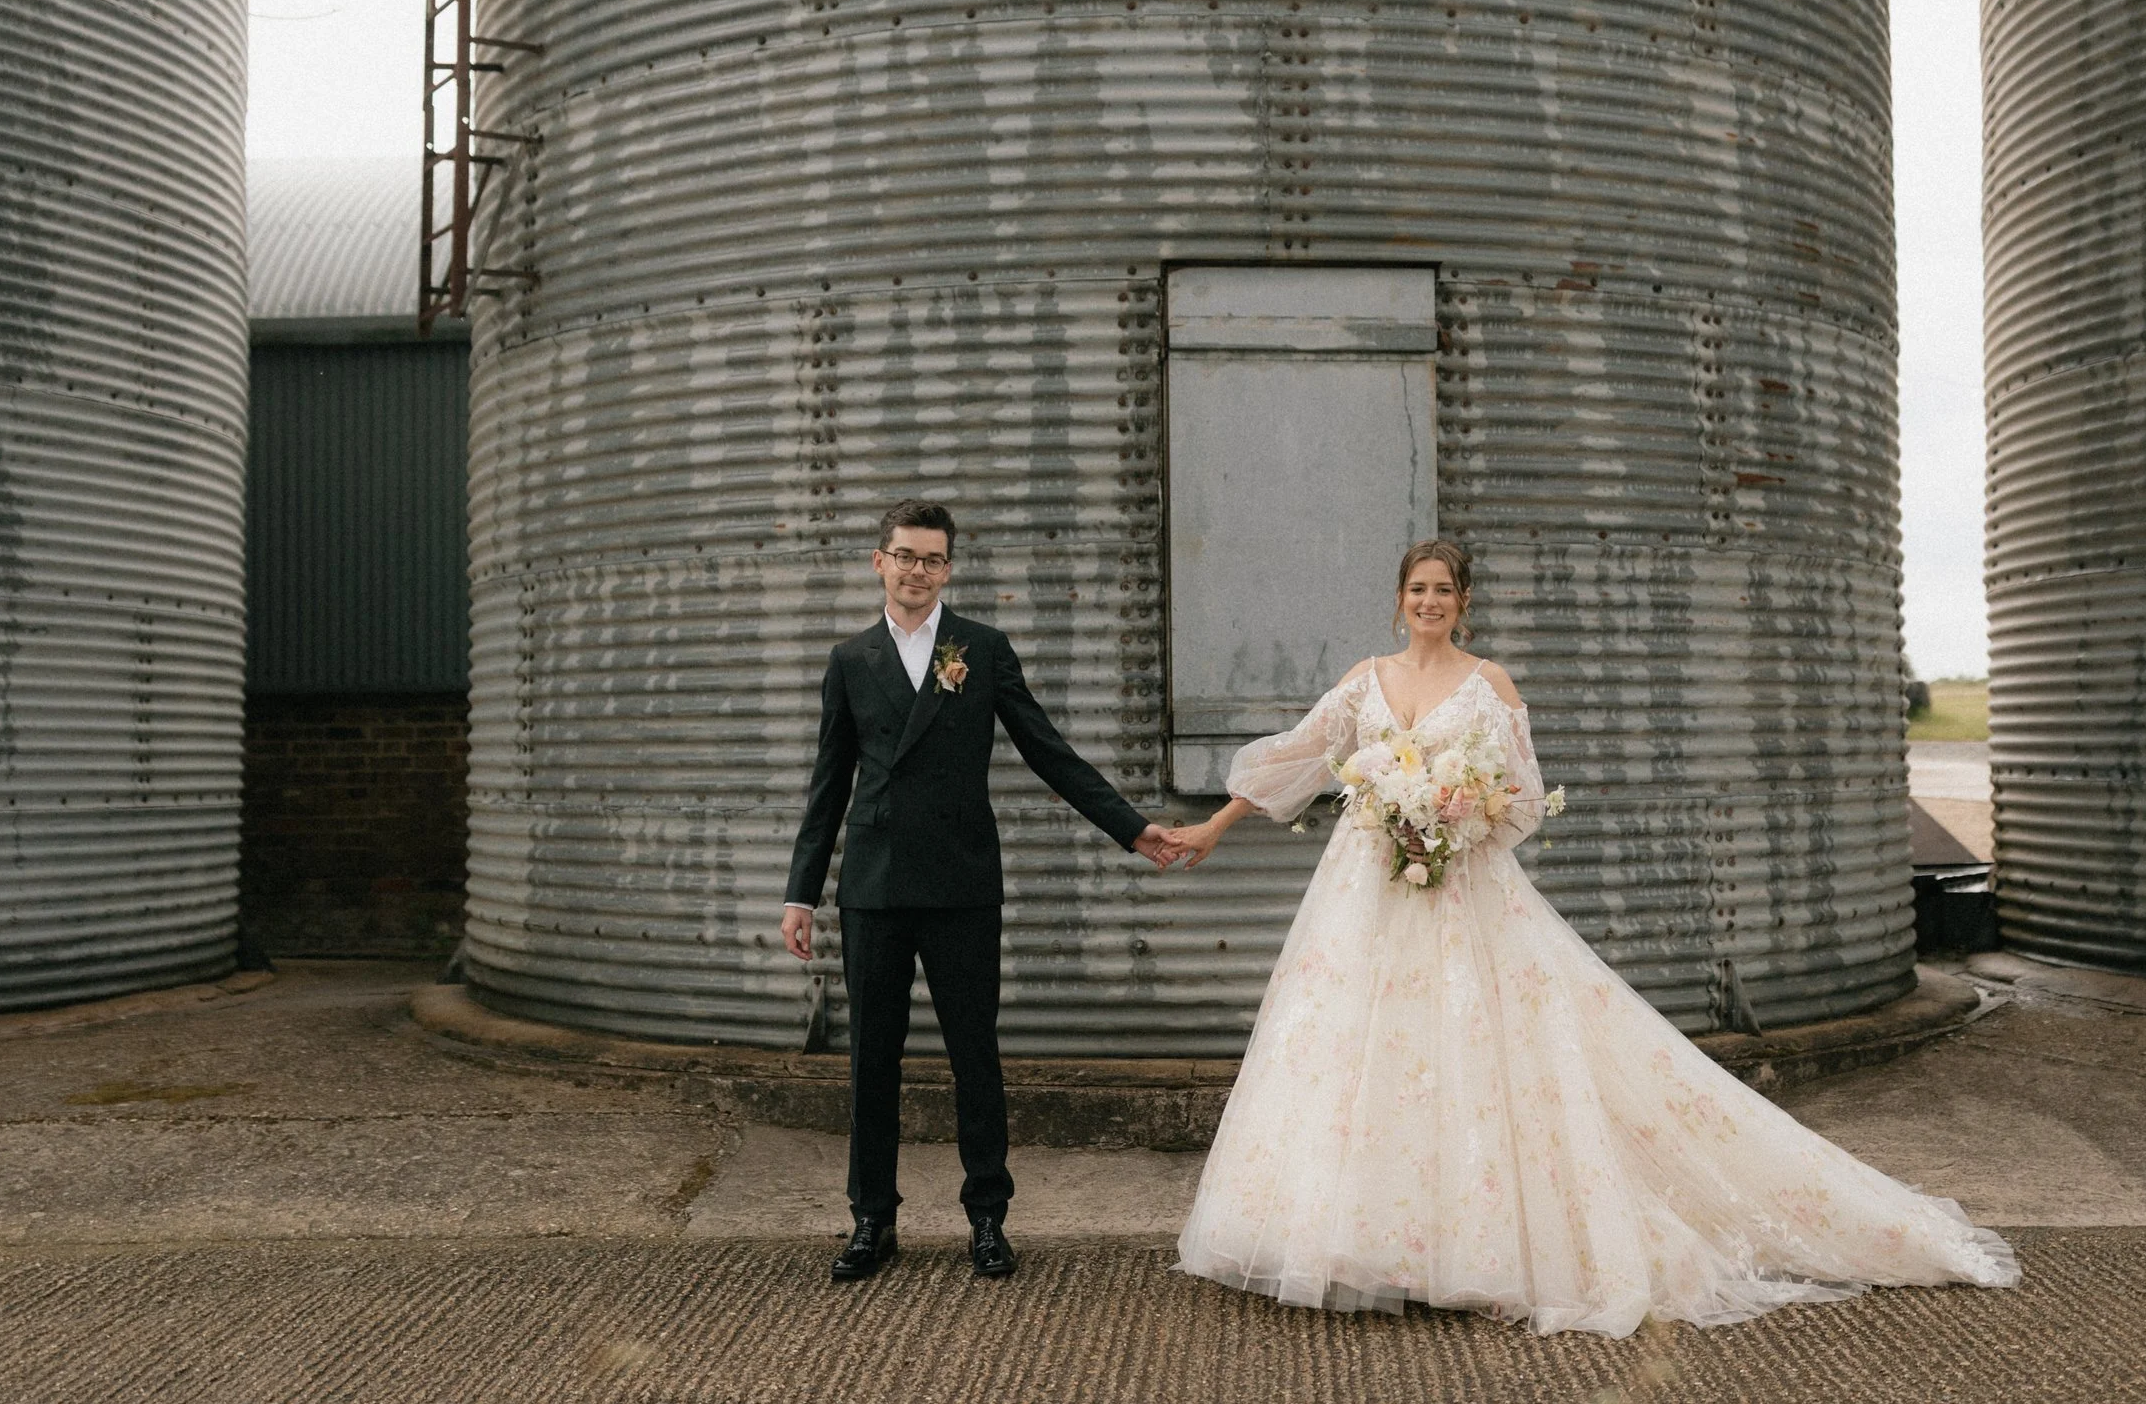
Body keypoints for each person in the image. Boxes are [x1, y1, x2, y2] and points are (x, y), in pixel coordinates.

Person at [1159, 538, 2018, 1337]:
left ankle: (1469, 1244)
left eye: (1444, 590)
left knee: (1474, 1057)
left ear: (1465, 602)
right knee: (1358, 1052)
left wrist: (1457, 813)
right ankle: (1365, 1236)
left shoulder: (1488, 684)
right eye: (1417, 590)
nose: (1430, 601)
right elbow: (1298, 759)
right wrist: (1214, 828)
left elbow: (1524, 800)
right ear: (1399, 601)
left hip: (1461, 894)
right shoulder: (1366, 679)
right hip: (1367, 893)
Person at [781, 498, 1186, 1282]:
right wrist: (803, 892)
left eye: (932, 559)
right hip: (873, 885)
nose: (917, 571)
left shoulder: (981, 649)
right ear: (879, 561)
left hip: (963, 881)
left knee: (976, 1054)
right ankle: (872, 1219)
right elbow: (828, 786)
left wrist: (1132, 828)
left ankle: (988, 1218)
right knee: (872, 1059)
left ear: (949, 569)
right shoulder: (850, 658)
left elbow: (1048, 750)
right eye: (904, 555)